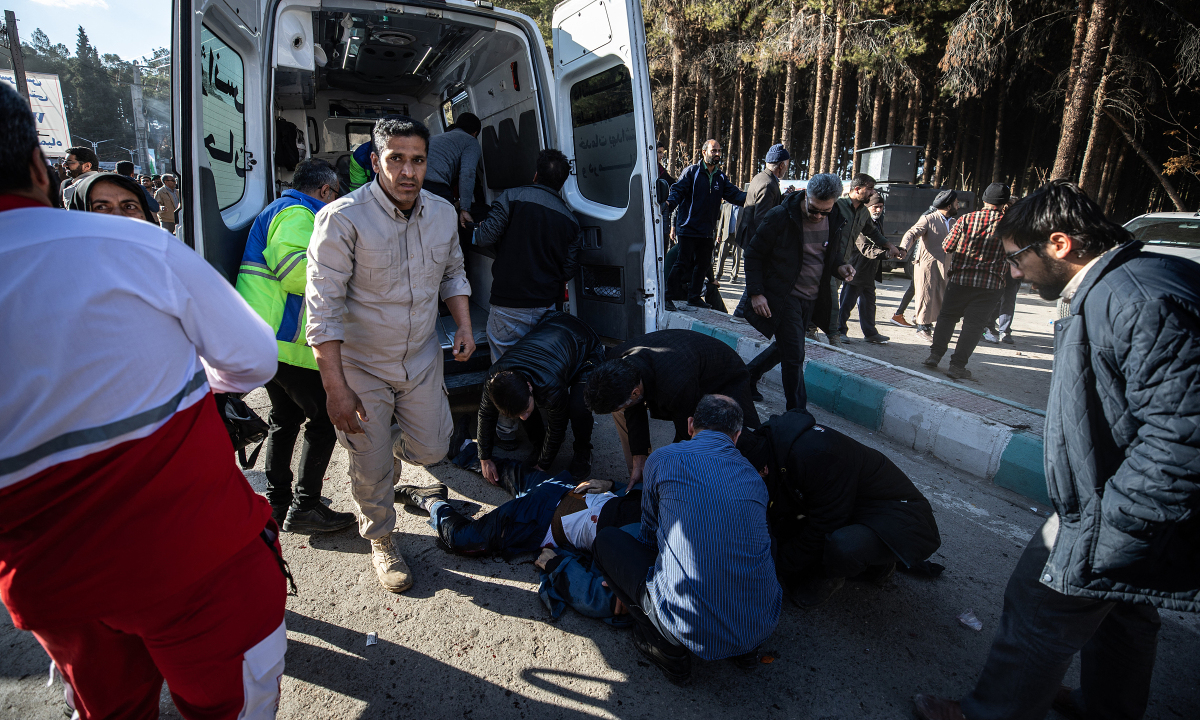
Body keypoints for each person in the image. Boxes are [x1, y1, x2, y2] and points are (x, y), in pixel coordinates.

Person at [0, 82, 288, 717]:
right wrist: (185, 383)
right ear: (38, 169)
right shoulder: (142, 251)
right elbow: (252, 360)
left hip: (54, 586)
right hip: (195, 561)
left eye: (126, 205)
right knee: (228, 704)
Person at [913, 181, 1200, 720]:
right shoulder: (1126, 284)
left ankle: (992, 713)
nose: (1014, 273)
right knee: (1125, 613)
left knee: (1039, 603)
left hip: (1123, 505)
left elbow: (1184, 436)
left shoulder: (1136, 298)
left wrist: (1115, 523)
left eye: (1018, 258)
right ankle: (1106, 707)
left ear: (1061, 244)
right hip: (1127, 497)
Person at [306, 115, 476, 594]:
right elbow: (323, 312)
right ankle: (381, 539)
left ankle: (389, 446)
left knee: (434, 450)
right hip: (363, 367)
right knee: (370, 465)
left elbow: (454, 273)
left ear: (427, 163)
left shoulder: (442, 213)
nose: (407, 171)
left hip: (421, 358)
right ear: (376, 161)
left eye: (417, 160)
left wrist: (463, 325)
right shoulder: (341, 218)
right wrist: (336, 389)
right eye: (396, 159)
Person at [592, 395, 782, 685]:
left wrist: (625, 581)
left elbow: (648, 535)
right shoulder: (754, 478)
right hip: (761, 625)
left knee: (607, 542)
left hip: (686, 627)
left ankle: (668, 652)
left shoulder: (664, 459)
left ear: (691, 425)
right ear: (737, 436)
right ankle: (746, 650)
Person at [236, 158, 355, 535]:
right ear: (325, 191)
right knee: (324, 417)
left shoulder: (279, 209)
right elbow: (296, 274)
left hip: (267, 341)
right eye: (335, 194)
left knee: (284, 418)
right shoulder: (298, 214)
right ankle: (305, 506)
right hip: (288, 343)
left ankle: (277, 499)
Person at [739, 409, 941, 607]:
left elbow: (824, 525)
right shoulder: (772, 447)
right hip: (853, 507)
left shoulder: (815, 456)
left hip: (903, 519)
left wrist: (775, 568)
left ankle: (852, 572)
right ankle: (867, 559)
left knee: (843, 546)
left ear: (764, 470)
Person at [473, 149, 580, 445]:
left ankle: (506, 431)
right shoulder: (570, 220)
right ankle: (547, 426)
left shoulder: (512, 197)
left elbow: (484, 237)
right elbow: (569, 268)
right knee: (541, 365)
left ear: (535, 174)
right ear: (561, 184)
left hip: (509, 303)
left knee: (505, 368)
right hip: (546, 307)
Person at [584, 329, 761, 491]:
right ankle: (643, 475)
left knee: (723, 437)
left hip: (723, 374)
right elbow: (633, 408)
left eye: (623, 403)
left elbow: (687, 435)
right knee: (624, 411)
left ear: (635, 391)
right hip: (683, 361)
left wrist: (666, 469)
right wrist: (639, 455)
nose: (623, 407)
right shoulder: (617, 362)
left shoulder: (676, 386)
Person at [740, 173, 855, 410]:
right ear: (805, 195)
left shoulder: (835, 217)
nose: (818, 216)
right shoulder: (781, 217)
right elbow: (753, 254)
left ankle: (747, 375)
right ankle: (797, 412)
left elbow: (828, 257)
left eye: (825, 211)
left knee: (786, 347)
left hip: (812, 299)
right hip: (784, 297)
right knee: (795, 355)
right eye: (814, 209)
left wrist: (841, 268)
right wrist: (755, 293)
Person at [475, 311, 606, 483]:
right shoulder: (494, 380)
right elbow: (486, 414)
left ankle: (583, 451)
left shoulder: (550, 386)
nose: (523, 417)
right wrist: (484, 458)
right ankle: (538, 445)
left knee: (578, 407)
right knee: (525, 408)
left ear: (529, 386)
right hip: (554, 334)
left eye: (524, 410)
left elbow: (557, 427)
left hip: (585, 346)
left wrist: (543, 466)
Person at [923, 183, 1010, 380]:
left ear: (984, 200)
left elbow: (947, 246)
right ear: (1004, 204)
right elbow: (1016, 255)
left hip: (961, 279)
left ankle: (934, 355)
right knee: (973, 325)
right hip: (991, 284)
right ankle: (957, 366)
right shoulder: (1011, 225)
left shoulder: (966, 219)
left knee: (947, 317)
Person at [664, 139, 746, 310]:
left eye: (718, 151)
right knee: (682, 262)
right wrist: (669, 203)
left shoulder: (720, 177)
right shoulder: (692, 172)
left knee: (703, 264)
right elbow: (678, 190)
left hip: (707, 230)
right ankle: (667, 296)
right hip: (688, 228)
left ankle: (694, 297)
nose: (717, 154)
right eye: (713, 150)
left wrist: (755, 196)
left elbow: (735, 195)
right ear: (703, 152)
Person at [829, 173, 904, 341]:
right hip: (834, 263)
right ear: (857, 189)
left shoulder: (863, 213)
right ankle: (832, 332)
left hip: (845, 265)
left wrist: (890, 246)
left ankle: (861, 333)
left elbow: (872, 232)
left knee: (851, 300)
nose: (871, 193)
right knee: (832, 299)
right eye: (869, 189)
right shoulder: (837, 206)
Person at [898, 189, 958, 342]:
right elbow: (911, 233)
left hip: (946, 266)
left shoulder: (953, 222)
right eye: (956, 203)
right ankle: (923, 328)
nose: (958, 205)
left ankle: (921, 318)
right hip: (927, 265)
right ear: (949, 205)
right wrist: (904, 248)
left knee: (940, 297)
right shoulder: (929, 219)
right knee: (926, 294)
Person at [837, 192, 893, 344]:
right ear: (868, 207)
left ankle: (870, 333)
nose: (878, 210)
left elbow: (880, 242)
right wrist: (887, 254)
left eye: (881, 207)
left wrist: (896, 249)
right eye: (876, 207)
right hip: (855, 270)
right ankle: (839, 330)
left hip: (869, 272)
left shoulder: (876, 222)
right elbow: (866, 249)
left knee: (869, 305)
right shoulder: (861, 223)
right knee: (847, 304)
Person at [425, 112, 483, 228]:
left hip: (415, 185)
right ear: (475, 133)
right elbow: (468, 173)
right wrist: (465, 209)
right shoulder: (471, 141)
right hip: (435, 187)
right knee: (446, 231)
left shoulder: (436, 138)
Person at [737, 144, 790, 248]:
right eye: (787, 166)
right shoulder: (768, 184)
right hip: (756, 244)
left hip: (751, 239)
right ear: (781, 166)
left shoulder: (761, 177)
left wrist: (784, 197)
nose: (786, 169)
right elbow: (762, 219)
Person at [66, 171, 158, 223]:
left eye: (129, 206)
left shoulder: (162, 253)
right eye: (101, 207)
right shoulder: (69, 256)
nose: (119, 215)